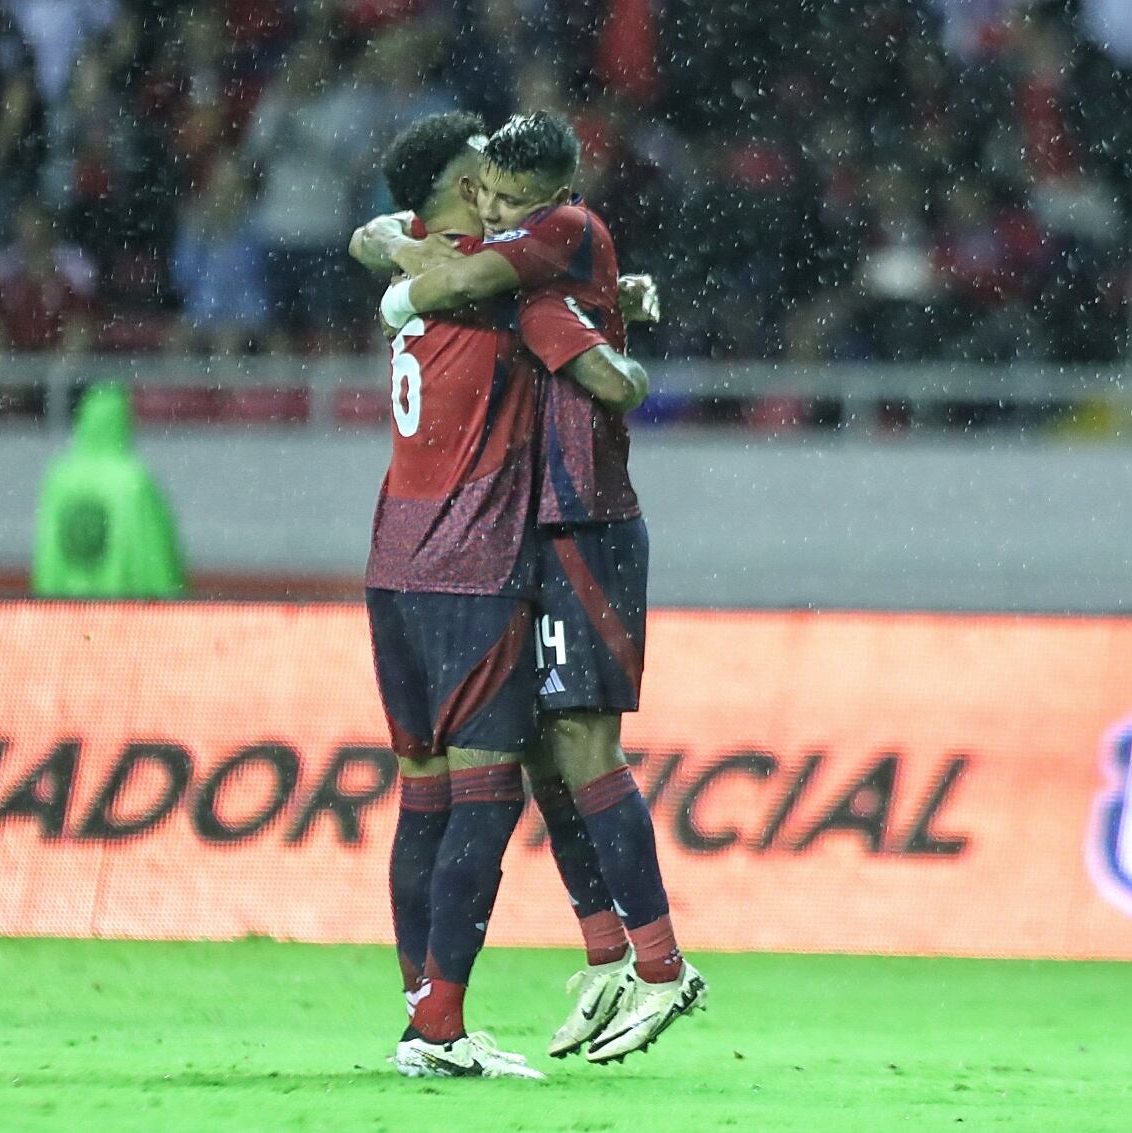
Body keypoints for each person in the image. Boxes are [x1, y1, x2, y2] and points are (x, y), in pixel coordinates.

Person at [354, 111, 706, 1064]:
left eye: (507, 195)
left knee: (560, 751)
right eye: (479, 185)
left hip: (508, 537)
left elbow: (394, 243)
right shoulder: (490, 272)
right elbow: (407, 244)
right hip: (479, 553)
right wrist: (606, 325)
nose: (491, 201)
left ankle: (654, 967)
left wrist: (608, 329)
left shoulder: (525, 254)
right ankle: (464, 1010)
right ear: (451, 192)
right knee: (515, 770)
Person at [32, 382, 185, 598]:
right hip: (122, 618)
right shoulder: (133, 480)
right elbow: (154, 554)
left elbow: (48, 552)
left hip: (65, 615)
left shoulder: (59, 477)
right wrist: (171, 602)